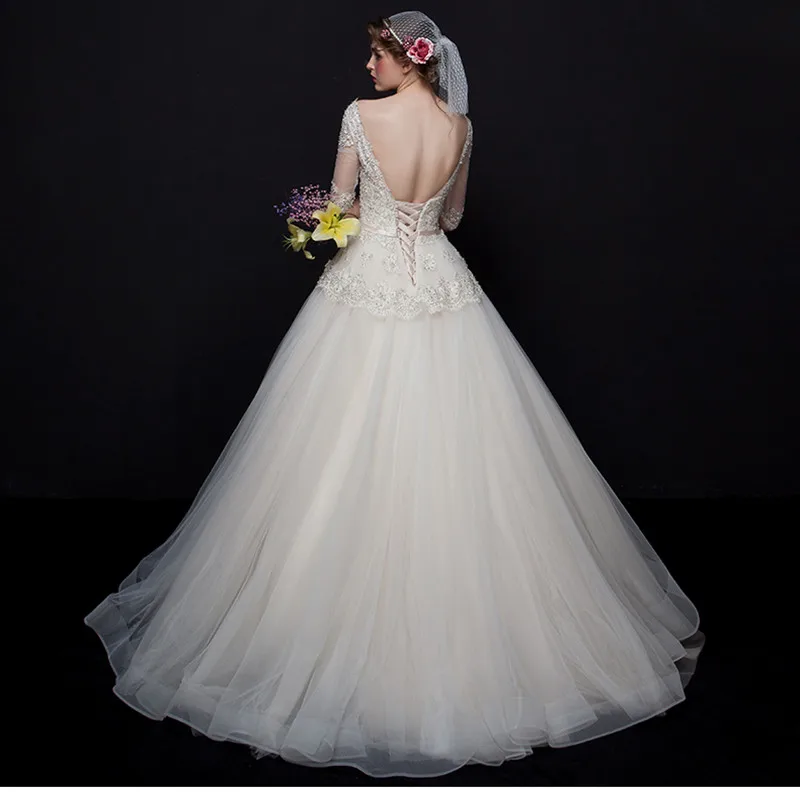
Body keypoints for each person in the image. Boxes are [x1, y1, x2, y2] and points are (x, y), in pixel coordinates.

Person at [84, 11, 704, 779]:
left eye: (376, 54)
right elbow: (452, 217)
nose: (368, 67)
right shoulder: (461, 128)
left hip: (367, 282)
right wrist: (411, 217)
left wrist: (325, 225)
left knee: (328, 447)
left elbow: (339, 203)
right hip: (442, 281)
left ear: (409, 59)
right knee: (466, 454)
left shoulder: (360, 116)